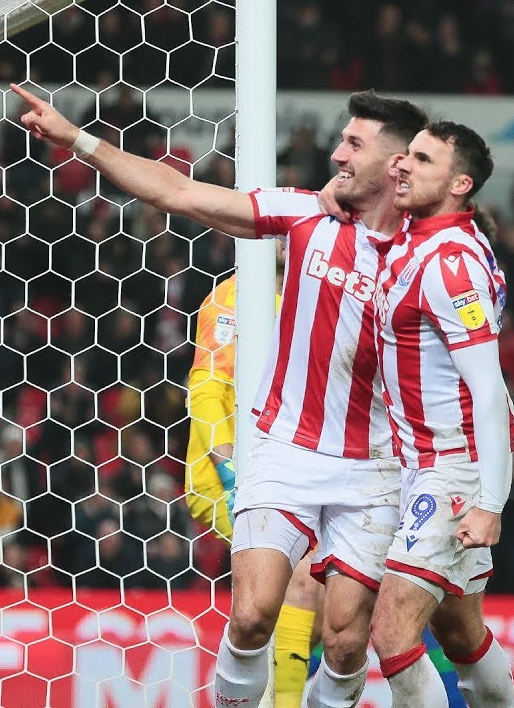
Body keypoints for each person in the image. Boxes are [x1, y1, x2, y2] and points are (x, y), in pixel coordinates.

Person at [14, 84, 489, 708]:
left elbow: (474, 342)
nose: (337, 155)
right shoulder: (307, 215)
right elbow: (179, 192)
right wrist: (78, 139)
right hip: (285, 450)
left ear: (395, 163)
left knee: (347, 641)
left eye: (353, 144)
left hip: (376, 466)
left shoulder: (431, 253)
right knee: (252, 616)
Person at [367, 121, 514, 707]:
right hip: (421, 461)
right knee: (460, 631)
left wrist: (490, 503)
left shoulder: (451, 264)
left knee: (392, 632)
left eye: (423, 160)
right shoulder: (419, 240)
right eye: (406, 154)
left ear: (460, 184)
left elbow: (489, 388)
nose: (404, 165)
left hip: (451, 466)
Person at [185, 257, 325, 708]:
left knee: (328, 612)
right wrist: (229, 468)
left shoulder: (320, 293)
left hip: (302, 474)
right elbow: (206, 388)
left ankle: (278, 685)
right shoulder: (234, 297)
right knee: (301, 579)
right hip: (230, 478)